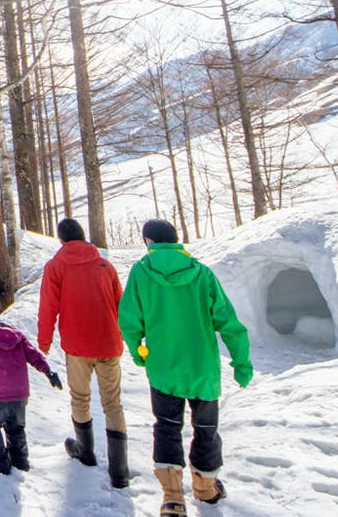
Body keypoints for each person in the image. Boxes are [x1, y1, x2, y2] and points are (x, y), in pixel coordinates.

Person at [119, 219, 253, 517]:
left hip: (163, 367)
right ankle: (206, 487)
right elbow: (228, 322)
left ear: (149, 241)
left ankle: (172, 499)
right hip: (202, 368)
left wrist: (140, 352)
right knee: (206, 429)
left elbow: (129, 319)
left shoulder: (142, 272)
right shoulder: (202, 273)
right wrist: (241, 362)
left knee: (167, 428)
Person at [37, 217, 129, 488]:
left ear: (62, 240)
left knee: (80, 397)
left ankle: (86, 451)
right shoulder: (104, 265)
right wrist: (126, 336)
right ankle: (119, 470)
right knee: (113, 403)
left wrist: (44, 343)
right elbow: (121, 304)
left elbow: (48, 306)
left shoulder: (56, 267)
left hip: (78, 346)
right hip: (108, 342)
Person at [0, 292, 62, 475]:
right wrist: (48, 372)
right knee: (16, 428)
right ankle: (20, 462)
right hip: (19, 393)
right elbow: (34, 355)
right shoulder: (17, 334)